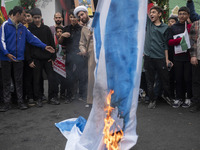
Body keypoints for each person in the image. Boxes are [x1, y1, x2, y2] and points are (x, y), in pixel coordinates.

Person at [0, 6, 55, 112]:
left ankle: (20, 102)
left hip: (19, 58)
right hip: (5, 58)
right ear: (17, 14)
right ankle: (7, 103)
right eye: (23, 15)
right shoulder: (5, 25)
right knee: (6, 81)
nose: (25, 18)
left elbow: (32, 39)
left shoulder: (23, 28)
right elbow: (1, 41)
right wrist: (6, 53)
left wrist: (44, 46)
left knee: (19, 81)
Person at [25, 8, 59, 107]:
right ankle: (38, 98)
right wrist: (29, 60)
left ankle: (52, 97)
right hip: (36, 59)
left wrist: (53, 58)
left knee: (52, 78)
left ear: (41, 17)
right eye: (35, 17)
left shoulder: (47, 29)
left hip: (47, 58)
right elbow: (27, 46)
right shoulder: (29, 30)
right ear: (32, 17)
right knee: (37, 79)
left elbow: (52, 43)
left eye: (38, 17)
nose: (36, 20)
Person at [144, 6, 173, 109]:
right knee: (149, 80)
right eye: (150, 12)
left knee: (165, 79)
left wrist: (166, 59)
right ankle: (152, 100)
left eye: (154, 12)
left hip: (160, 57)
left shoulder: (165, 27)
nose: (151, 14)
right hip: (148, 58)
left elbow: (165, 45)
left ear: (159, 14)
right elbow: (142, 8)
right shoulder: (148, 24)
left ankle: (167, 96)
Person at [58, 10, 88, 104]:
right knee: (69, 76)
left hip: (80, 55)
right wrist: (62, 36)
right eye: (71, 17)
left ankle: (82, 95)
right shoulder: (66, 28)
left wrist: (83, 51)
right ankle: (69, 96)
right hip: (69, 55)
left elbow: (86, 42)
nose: (73, 19)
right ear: (69, 18)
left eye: (75, 17)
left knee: (82, 75)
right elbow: (60, 42)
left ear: (78, 18)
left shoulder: (82, 28)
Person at [168, 7, 192, 108]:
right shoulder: (173, 27)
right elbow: (169, 42)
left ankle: (188, 98)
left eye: (184, 14)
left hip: (188, 57)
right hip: (177, 57)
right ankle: (179, 98)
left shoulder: (190, 26)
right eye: (180, 13)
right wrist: (181, 40)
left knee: (188, 78)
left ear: (188, 15)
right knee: (178, 78)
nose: (182, 16)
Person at [74, 6, 96, 107]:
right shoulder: (84, 29)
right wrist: (83, 51)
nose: (81, 17)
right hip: (91, 55)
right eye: (79, 16)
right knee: (91, 78)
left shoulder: (97, 22)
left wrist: (95, 35)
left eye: (82, 14)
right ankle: (91, 101)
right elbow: (81, 44)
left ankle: (108, 101)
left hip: (101, 53)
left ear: (87, 13)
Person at [189, 19, 200, 112]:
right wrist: (193, 56)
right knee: (196, 81)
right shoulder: (196, 24)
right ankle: (196, 103)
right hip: (198, 58)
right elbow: (192, 41)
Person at [53, 26, 66, 100]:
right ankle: (55, 94)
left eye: (61, 31)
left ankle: (62, 94)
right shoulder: (53, 40)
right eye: (58, 32)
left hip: (63, 62)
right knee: (55, 80)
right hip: (56, 62)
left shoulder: (65, 40)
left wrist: (65, 54)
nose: (59, 33)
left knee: (63, 79)